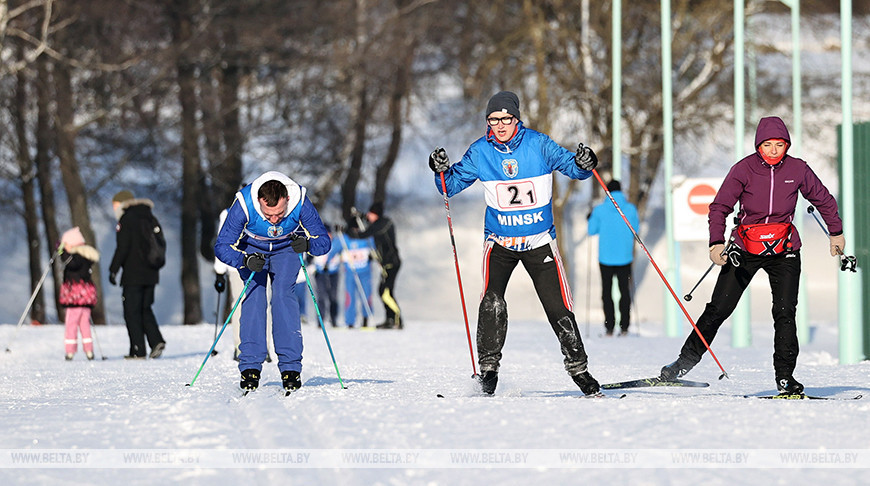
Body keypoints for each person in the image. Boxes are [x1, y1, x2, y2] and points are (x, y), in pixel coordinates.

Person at [429, 90, 602, 396]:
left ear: (516, 119)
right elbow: (450, 186)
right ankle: (489, 369)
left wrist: (585, 162)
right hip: (500, 242)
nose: (499, 125)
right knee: (492, 302)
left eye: (505, 119)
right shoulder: (481, 152)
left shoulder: (539, 144)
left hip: (538, 241)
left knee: (558, 307)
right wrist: (440, 169)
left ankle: (579, 369)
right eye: (493, 120)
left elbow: (572, 167)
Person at [659, 116, 845, 395]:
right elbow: (719, 207)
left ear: (787, 145)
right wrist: (715, 243)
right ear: (758, 145)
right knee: (718, 310)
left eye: (779, 145)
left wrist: (836, 232)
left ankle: (785, 377)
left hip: (785, 251)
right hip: (744, 250)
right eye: (767, 145)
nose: (773, 151)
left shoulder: (799, 169)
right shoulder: (743, 169)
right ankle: (683, 364)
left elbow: (823, 199)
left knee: (785, 313)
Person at [214, 171, 331, 393]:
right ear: (259, 202)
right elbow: (222, 246)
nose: (275, 220)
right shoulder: (244, 204)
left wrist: (306, 244)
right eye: (269, 215)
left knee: (282, 297)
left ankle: (290, 367)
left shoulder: (299, 200)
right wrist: (243, 260)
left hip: (286, 250)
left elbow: (323, 242)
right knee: (254, 297)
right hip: (252, 250)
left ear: (287, 199)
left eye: (280, 213)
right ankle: (250, 366)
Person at [108, 190, 166, 359]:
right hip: (151, 274)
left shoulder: (127, 219)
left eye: (115, 205)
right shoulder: (150, 217)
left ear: (123, 204)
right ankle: (156, 341)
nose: (114, 209)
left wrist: (113, 269)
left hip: (133, 274)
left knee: (131, 311)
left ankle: (138, 350)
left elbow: (123, 248)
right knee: (145, 308)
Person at [214, 206, 275, 362]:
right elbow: (222, 241)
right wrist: (220, 270)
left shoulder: (265, 212)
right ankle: (240, 346)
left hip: (260, 263)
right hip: (238, 264)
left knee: (261, 302)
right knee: (241, 303)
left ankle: (263, 346)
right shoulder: (229, 213)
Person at [588, 180, 639, 337]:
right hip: (625, 257)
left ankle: (609, 328)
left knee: (607, 293)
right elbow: (635, 231)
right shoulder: (630, 209)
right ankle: (624, 328)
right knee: (625, 292)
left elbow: (591, 231)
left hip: (605, 258)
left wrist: (589, 218)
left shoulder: (599, 210)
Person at [354, 202, 403, 329]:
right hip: (386, 264)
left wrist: (348, 230)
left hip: (392, 263)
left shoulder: (383, 224)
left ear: (375, 214)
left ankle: (397, 319)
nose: (368, 216)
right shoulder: (379, 223)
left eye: (370, 214)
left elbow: (364, 234)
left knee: (385, 292)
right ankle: (390, 319)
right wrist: (362, 216)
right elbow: (371, 223)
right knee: (384, 291)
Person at [58, 227, 99, 361]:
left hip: (76, 297)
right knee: (84, 324)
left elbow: (71, 264)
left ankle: (70, 351)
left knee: (71, 323)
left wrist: (61, 252)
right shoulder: (86, 256)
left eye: (66, 245)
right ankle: (89, 350)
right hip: (85, 298)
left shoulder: (76, 257)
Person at [339, 225, 375, 328]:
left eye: (357, 229)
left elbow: (375, 248)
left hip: (365, 273)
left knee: (366, 296)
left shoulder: (367, 238)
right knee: (350, 297)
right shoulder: (344, 238)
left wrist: (373, 256)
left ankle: (366, 319)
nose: (356, 231)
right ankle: (350, 321)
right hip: (350, 273)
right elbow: (332, 249)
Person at [312, 227, 342, 328]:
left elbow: (341, 250)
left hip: (333, 273)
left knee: (333, 297)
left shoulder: (336, 243)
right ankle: (320, 320)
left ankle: (333, 319)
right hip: (320, 273)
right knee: (321, 297)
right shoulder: (317, 242)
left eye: (329, 233)